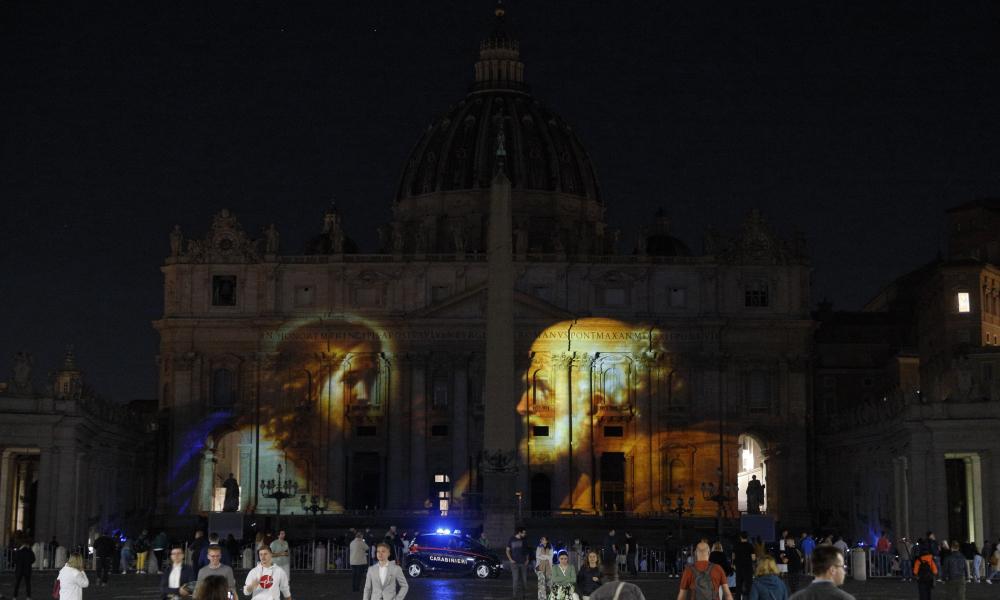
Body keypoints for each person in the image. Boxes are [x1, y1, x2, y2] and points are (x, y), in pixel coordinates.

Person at [788, 546, 853, 600]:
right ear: (832, 570)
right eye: (842, 566)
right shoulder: (845, 598)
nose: (844, 571)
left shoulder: (796, 598)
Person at [507, 527, 530, 600]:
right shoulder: (511, 539)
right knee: (515, 580)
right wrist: (510, 559)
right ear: (519, 533)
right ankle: (514, 596)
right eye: (523, 532)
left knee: (524, 581)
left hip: (523, 563)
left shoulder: (524, 540)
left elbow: (527, 551)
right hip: (514, 563)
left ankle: (524, 595)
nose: (525, 534)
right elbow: (507, 550)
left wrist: (527, 560)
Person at [733, 532, 756, 600]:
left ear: (740, 537)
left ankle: (737, 598)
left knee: (738, 586)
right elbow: (753, 558)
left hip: (739, 568)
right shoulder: (750, 546)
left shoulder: (736, 545)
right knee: (749, 585)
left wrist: (734, 563)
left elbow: (733, 557)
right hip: (748, 568)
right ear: (747, 537)